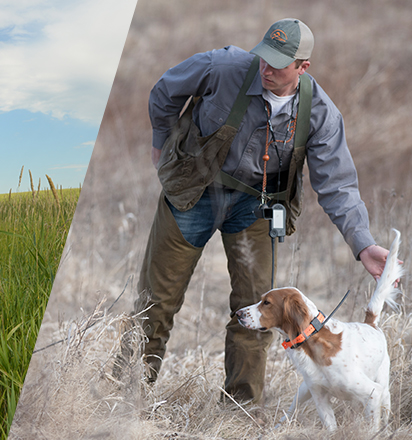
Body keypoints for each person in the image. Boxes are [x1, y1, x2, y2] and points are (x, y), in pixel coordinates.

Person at [130, 18, 392, 403]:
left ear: (303, 67)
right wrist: (160, 141)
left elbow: (338, 187)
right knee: (156, 303)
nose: (265, 68)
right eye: (263, 58)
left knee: (257, 311)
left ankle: (240, 407)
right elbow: (165, 91)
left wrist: (364, 244)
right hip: (194, 193)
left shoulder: (320, 114)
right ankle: (125, 398)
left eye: (278, 64)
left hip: (254, 207)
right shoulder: (224, 67)